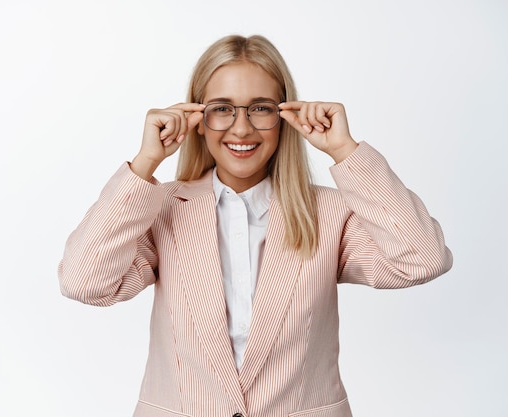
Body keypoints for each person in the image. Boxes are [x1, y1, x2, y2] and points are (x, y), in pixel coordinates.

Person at [58, 34, 452, 417]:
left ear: (284, 116)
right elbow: (85, 282)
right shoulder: (162, 208)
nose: (242, 128)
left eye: (261, 108)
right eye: (222, 108)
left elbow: (422, 259)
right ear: (197, 118)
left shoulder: (330, 214)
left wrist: (344, 151)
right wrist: (145, 163)